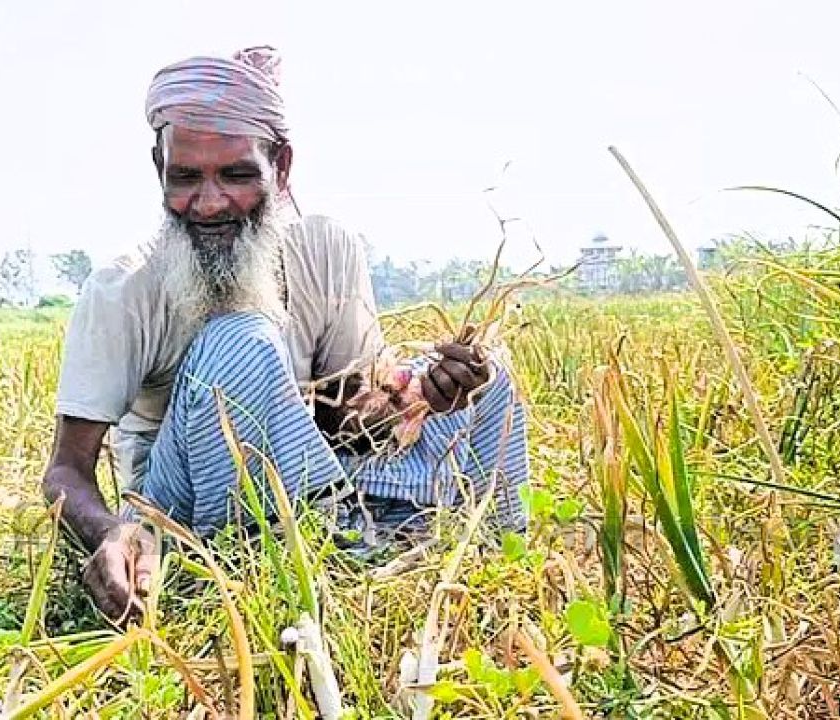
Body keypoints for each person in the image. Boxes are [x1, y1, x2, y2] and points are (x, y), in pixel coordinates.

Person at [42, 46, 529, 622]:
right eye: (185, 178)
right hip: (184, 512)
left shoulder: (327, 249)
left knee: (489, 378)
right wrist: (111, 532)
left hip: (309, 477)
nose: (209, 203)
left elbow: (347, 418)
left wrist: (423, 400)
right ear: (159, 167)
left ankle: (494, 563)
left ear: (282, 167)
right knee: (238, 342)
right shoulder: (123, 288)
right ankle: (282, 572)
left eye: (237, 175)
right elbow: (66, 470)